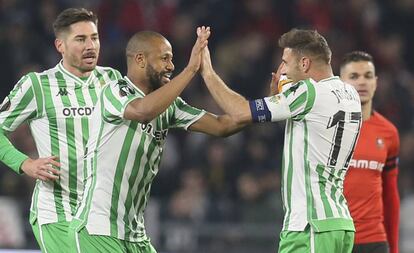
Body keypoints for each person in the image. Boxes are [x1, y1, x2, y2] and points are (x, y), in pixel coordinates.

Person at [69, 27, 245, 253]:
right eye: (165, 58)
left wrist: (267, 110)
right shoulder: (114, 91)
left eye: (171, 59)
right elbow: (142, 111)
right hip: (98, 229)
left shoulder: (169, 106)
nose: (171, 66)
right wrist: (191, 69)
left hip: (135, 234)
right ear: (140, 59)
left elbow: (223, 126)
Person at [199, 28, 362, 253]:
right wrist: (279, 101)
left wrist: (207, 71)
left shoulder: (307, 92)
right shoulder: (350, 94)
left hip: (309, 225)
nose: (282, 69)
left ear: (304, 63)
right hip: (339, 223)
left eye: (285, 62)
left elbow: (239, 112)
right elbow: (312, 132)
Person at [0, 8, 121, 252]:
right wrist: (25, 163)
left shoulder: (112, 80)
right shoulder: (37, 85)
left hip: (102, 214)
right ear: (60, 45)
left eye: (94, 38)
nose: (90, 46)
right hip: (57, 214)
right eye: (80, 39)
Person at [340, 51, 400, 253]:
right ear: (341, 83)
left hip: (374, 240)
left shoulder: (389, 133)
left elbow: (390, 195)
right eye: (354, 77)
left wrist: (394, 248)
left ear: (375, 82)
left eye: (367, 76)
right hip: (334, 239)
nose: (362, 82)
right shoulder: (327, 129)